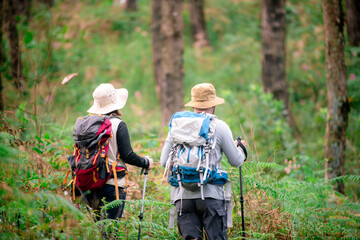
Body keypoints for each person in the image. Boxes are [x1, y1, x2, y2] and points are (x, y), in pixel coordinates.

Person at [160, 83, 246, 240]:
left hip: (183, 198)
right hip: (212, 197)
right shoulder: (219, 126)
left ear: (194, 105)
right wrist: (240, 149)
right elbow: (236, 161)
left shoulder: (178, 126)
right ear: (213, 105)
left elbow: (164, 161)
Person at [84, 83, 153, 221]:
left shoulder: (86, 123)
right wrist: (145, 162)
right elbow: (128, 156)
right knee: (110, 231)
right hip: (112, 183)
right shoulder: (118, 124)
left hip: (89, 183)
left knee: (98, 230)